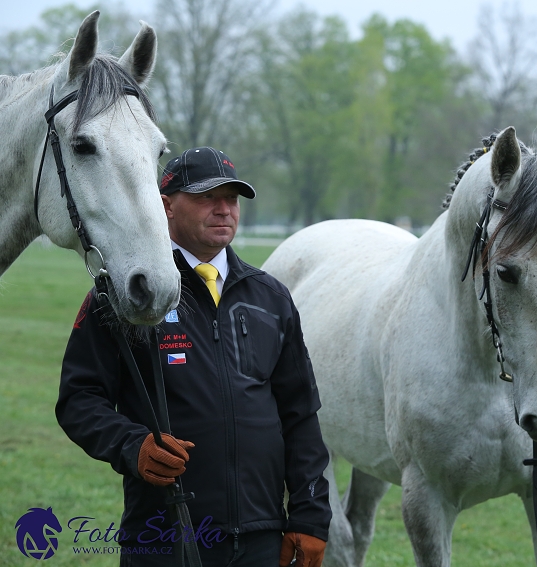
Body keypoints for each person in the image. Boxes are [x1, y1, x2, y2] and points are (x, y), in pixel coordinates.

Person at [56, 147, 331, 567]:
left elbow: (300, 414)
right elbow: (79, 399)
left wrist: (310, 516)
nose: (224, 210)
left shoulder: (271, 297)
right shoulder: (128, 294)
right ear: (166, 205)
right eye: (207, 198)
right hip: (165, 533)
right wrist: (133, 446)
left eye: (232, 199)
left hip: (262, 536)